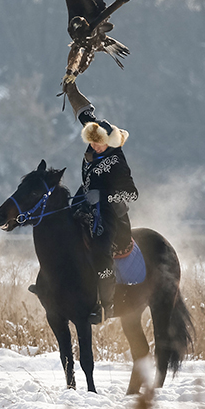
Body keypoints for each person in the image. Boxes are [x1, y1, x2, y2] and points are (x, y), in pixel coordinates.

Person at [63, 81, 138, 324]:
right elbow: (84, 112)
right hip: (84, 198)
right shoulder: (95, 136)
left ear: (110, 141)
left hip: (108, 213)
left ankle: (106, 307)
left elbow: (132, 194)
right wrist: (71, 89)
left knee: (100, 252)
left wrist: (103, 197)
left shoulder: (118, 161)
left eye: (99, 143)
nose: (95, 146)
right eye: (92, 141)